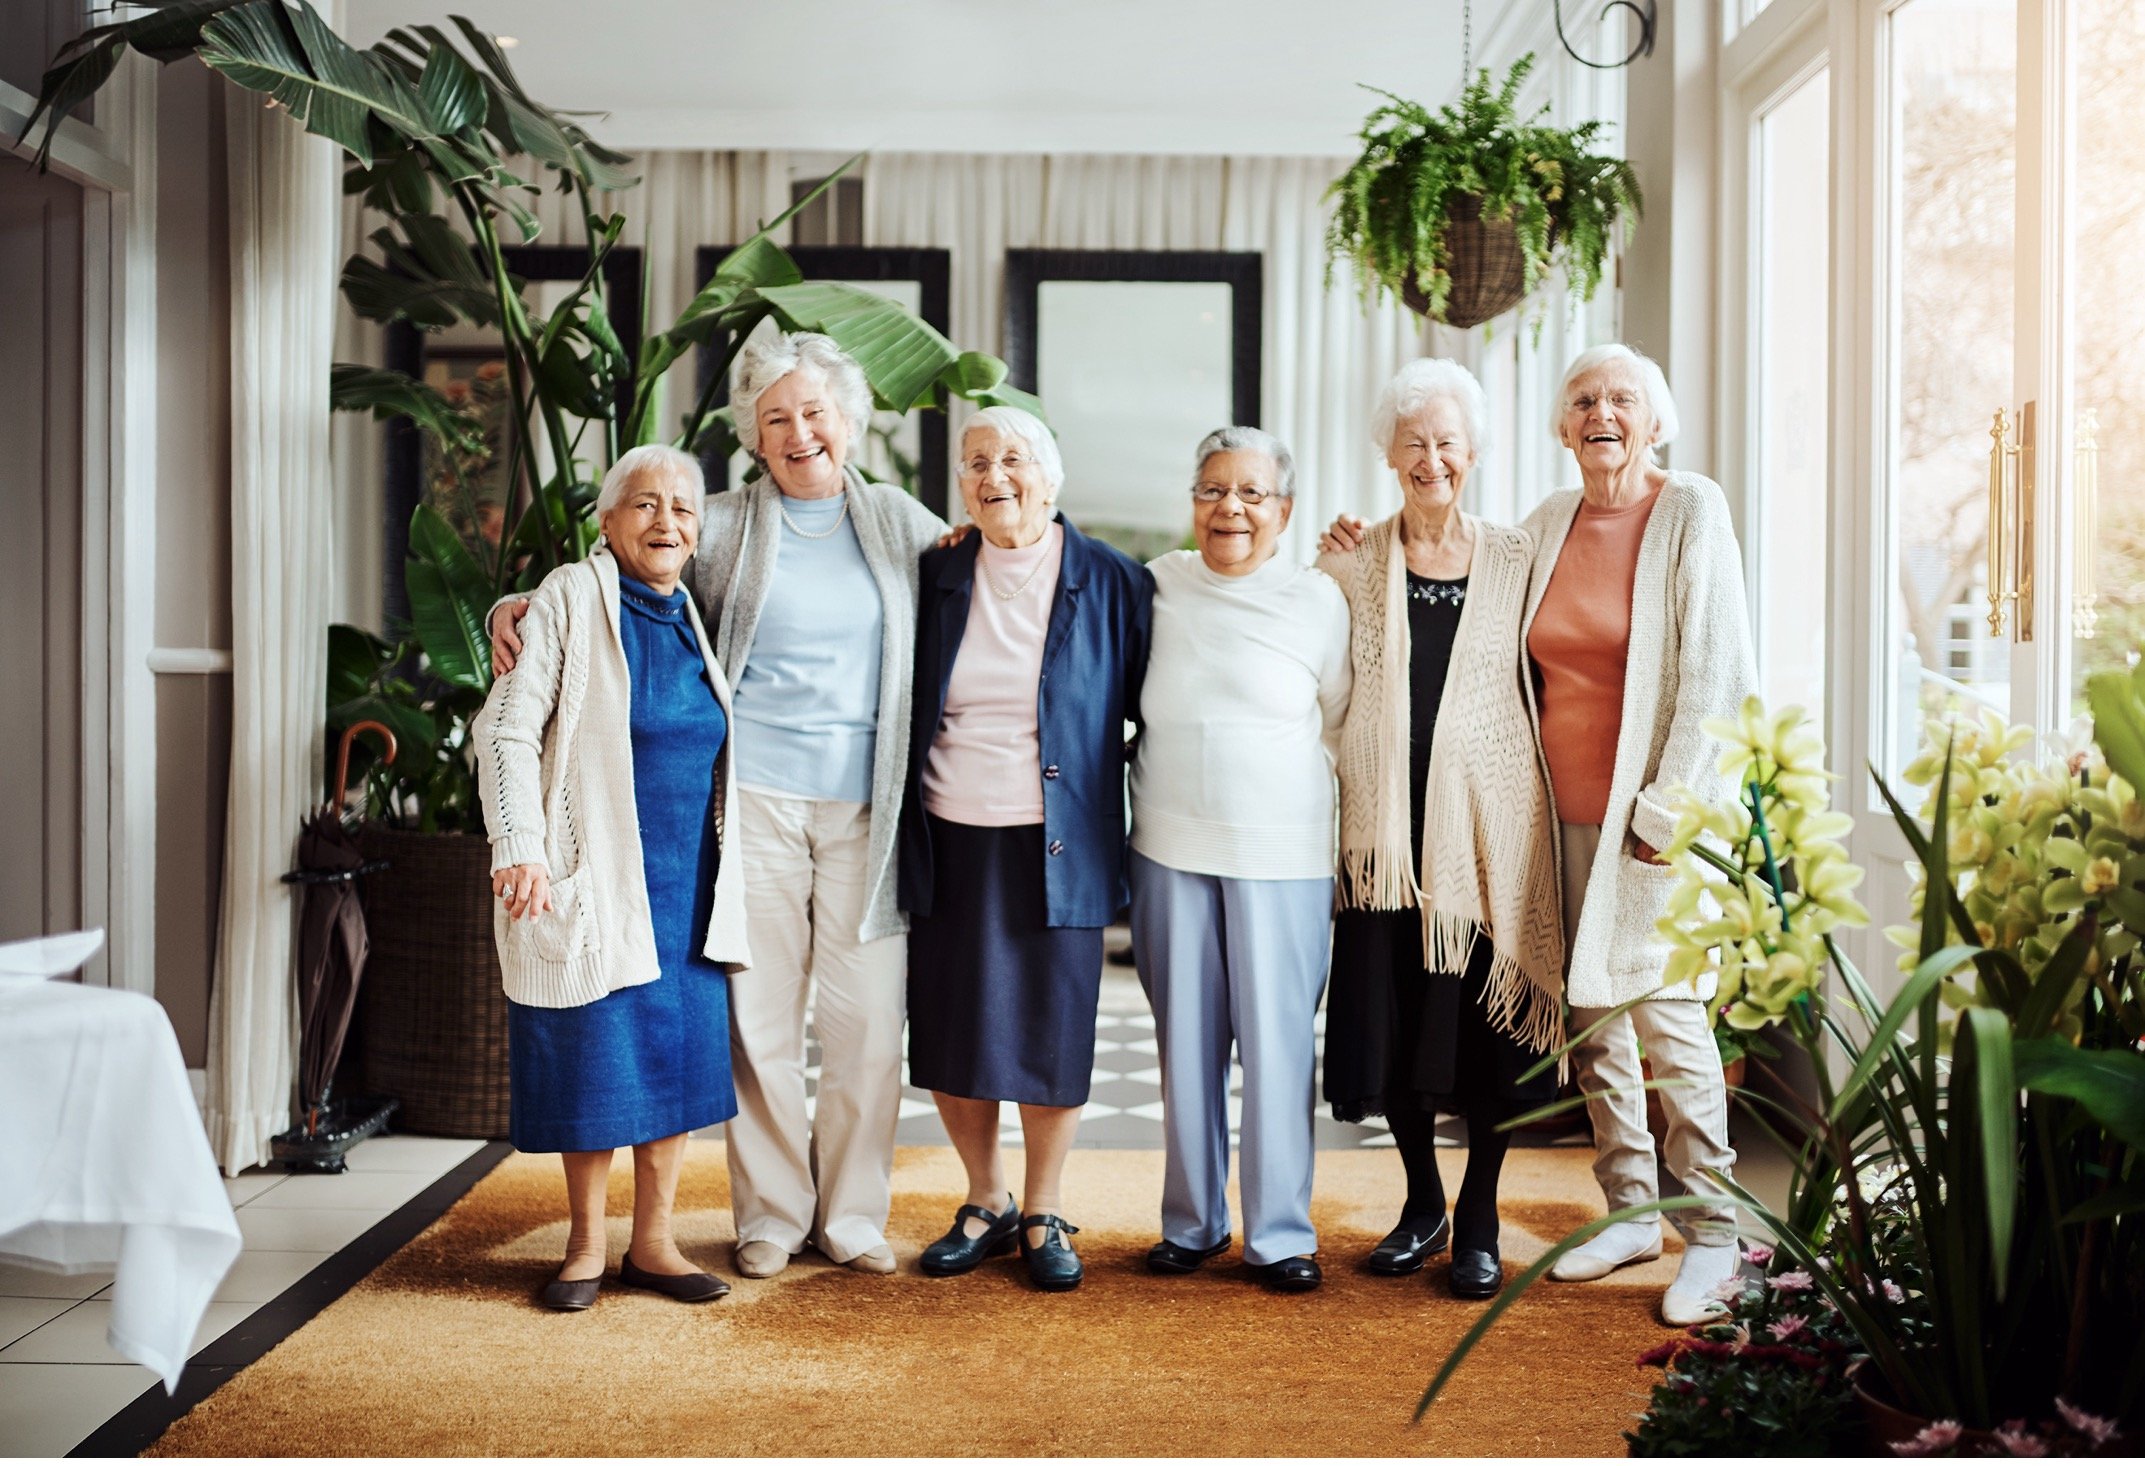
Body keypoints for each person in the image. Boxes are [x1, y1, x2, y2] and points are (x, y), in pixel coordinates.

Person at [491, 333, 946, 1279]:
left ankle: (853, 1212)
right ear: (751, 433)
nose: (798, 432)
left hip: (870, 806)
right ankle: (773, 1214)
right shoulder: (727, 523)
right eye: (775, 417)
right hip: (750, 808)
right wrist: (521, 603)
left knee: (866, 1020)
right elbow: (625, 575)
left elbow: (986, 576)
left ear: (849, 420)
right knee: (759, 1021)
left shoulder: (902, 521)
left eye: (815, 411)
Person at [474, 444, 751, 1311]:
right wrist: (518, 845)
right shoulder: (569, 596)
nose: (665, 521)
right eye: (643, 504)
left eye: (682, 507)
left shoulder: (694, 609)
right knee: (596, 1052)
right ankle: (586, 1246)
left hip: (689, 878)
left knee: (674, 1061)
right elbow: (507, 729)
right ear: (606, 520)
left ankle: (655, 1244)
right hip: (595, 866)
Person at [1314, 361, 1565, 1300]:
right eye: (1413, 441)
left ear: (1474, 452)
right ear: (1388, 453)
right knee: (1397, 1031)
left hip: (1489, 843)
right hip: (1381, 845)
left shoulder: (1517, 555)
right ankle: (1423, 1202)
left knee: (1483, 1042)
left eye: (1447, 441)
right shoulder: (1348, 560)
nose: (1432, 458)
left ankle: (1482, 1216)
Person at [1522, 343, 1756, 1326]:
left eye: (1621, 398)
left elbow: (1718, 670)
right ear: (1562, 424)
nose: (1600, 411)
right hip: (1557, 814)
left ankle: (1713, 1230)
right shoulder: (1546, 523)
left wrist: (1673, 805)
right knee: (1592, 1019)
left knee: (1669, 1014)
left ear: (1653, 421)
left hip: (1651, 820)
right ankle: (1628, 1208)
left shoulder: (1688, 508)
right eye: (1583, 398)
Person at [899, 406, 1153, 1292]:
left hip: (1061, 837)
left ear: (1050, 475)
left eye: (1012, 459)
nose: (993, 474)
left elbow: (1159, 695)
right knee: (952, 1026)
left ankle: (1043, 1206)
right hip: (947, 829)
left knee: (1052, 1026)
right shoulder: (934, 573)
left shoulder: (1115, 580)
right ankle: (984, 1199)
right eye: (976, 462)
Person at [1129, 427, 1352, 1293]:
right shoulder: (1155, 586)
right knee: (1184, 1041)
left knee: (1277, 1047)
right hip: (1166, 844)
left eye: (1252, 494)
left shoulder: (1319, 598)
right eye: (1214, 490)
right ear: (1192, 503)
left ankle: (1280, 1234)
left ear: (1284, 512)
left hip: (1282, 853)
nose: (1231, 508)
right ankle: (1190, 1223)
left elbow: (1337, 718)